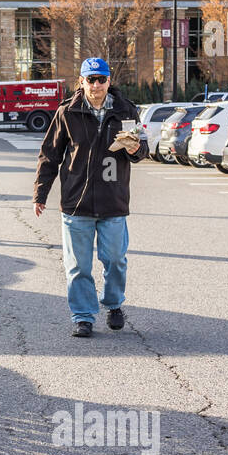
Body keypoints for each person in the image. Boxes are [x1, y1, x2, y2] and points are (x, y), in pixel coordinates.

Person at [32, 57, 147, 337]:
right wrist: (41, 192)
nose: (96, 85)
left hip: (114, 202)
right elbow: (50, 155)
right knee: (78, 266)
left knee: (116, 260)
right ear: (81, 82)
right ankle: (83, 316)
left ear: (109, 81)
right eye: (90, 80)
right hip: (76, 204)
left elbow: (142, 149)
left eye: (101, 79)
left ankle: (114, 304)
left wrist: (135, 150)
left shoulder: (126, 111)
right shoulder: (66, 113)